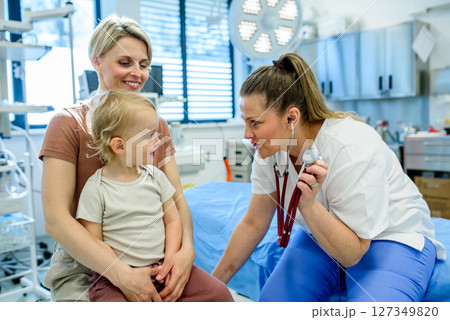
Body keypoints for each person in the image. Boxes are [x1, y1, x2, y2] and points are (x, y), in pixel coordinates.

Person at [212, 52, 446, 302]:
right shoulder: (269, 152)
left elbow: (353, 253)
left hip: (391, 237)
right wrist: (210, 287)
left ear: (291, 118)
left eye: (255, 122)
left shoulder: (349, 145)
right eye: (244, 122)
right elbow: (254, 223)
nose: (247, 134)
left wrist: (308, 206)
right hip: (322, 235)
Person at [40, 14, 233, 302]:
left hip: (154, 259)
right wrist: (121, 274)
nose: (138, 73)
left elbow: (178, 200)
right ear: (96, 62)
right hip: (86, 263)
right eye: (125, 62)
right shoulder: (68, 124)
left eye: (144, 65)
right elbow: (56, 220)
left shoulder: (157, 125)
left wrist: (185, 252)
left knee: (220, 298)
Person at [77, 90, 201, 302]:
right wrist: (125, 273)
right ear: (119, 146)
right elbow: (94, 242)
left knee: (219, 294)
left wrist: (170, 260)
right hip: (116, 276)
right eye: (149, 136)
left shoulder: (157, 177)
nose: (158, 141)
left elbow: (172, 220)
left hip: (161, 265)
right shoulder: (95, 189)